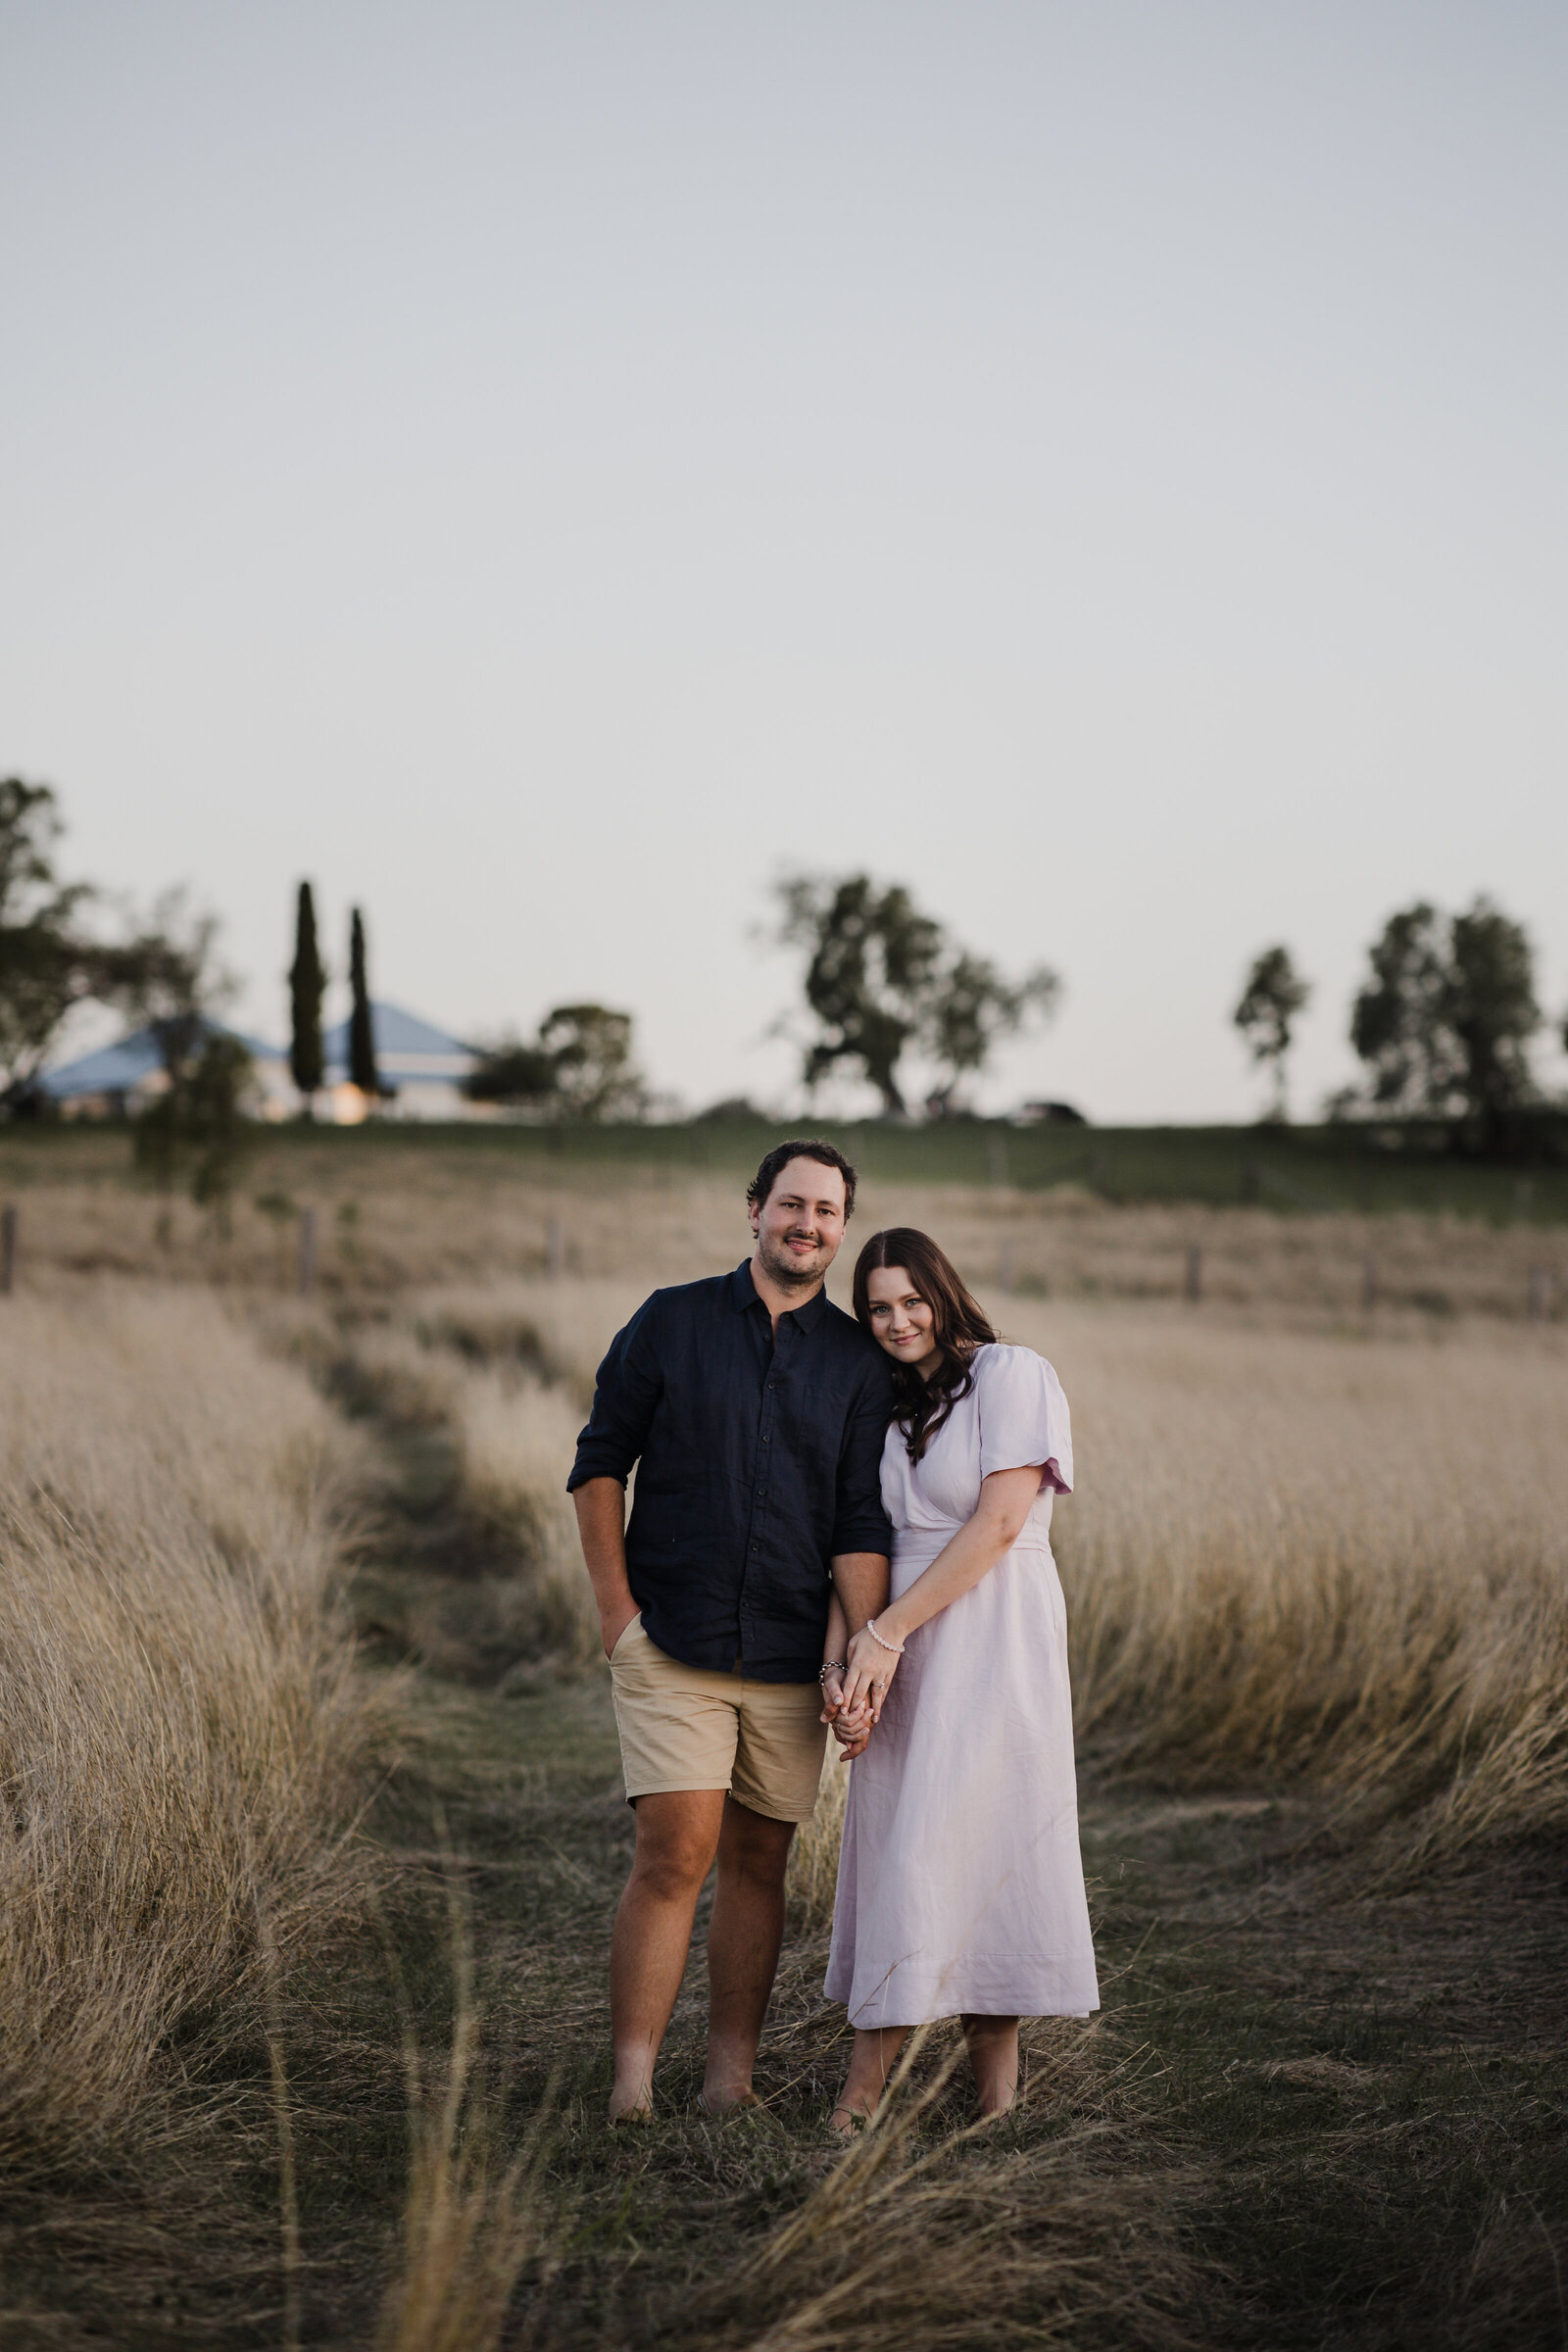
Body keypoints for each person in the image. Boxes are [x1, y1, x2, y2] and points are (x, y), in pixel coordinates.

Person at [568, 1140, 895, 2122]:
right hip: (672, 1640)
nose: (807, 1223)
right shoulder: (671, 1322)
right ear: (752, 1210)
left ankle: (727, 2080)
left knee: (761, 1863)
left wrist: (854, 1659)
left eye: (827, 1211)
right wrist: (616, 1615)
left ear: (841, 1228)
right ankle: (630, 2086)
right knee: (675, 1853)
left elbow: (858, 1524)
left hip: (796, 1657)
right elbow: (596, 1465)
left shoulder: (856, 1361)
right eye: (790, 1203)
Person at [823, 1227, 1099, 2127]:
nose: (897, 1321)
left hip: (988, 1632)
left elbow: (996, 1524)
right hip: (898, 1642)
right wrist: (849, 1662)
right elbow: (862, 1538)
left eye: (912, 1300)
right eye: (877, 1308)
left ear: (944, 1292)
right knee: (905, 1845)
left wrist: (887, 1635)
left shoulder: (1013, 1374)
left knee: (982, 1845)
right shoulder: (885, 1400)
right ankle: (953, 2098)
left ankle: (904, 2099)